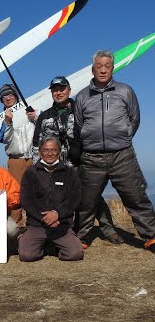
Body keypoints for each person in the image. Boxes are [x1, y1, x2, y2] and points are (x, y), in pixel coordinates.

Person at [74, 50, 155, 251]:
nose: (103, 70)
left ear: (112, 68)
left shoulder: (125, 91)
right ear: (93, 69)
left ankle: (151, 236)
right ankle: (81, 237)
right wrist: (90, 140)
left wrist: (124, 136)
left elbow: (134, 118)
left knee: (136, 197)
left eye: (107, 66)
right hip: (92, 157)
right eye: (99, 66)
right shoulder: (83, 95)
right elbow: (78, 124)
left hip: (122, 155)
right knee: (86, 201)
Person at [33, 76, 122, 245]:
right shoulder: (44, 116)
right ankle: (71, 230)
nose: (58, 92)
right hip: (56, 169)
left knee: (91, 197)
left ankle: (108, 228)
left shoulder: (81, 109)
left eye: (62, 89)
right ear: (51, 93)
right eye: (55, 90)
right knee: (60, 200)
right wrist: (37, 168)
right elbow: (36, 143)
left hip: (83, 163)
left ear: (69, 90)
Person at [18, 136, 84, 262]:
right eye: (46, 150)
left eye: (53, 150)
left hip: (61, 225)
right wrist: (46, 218)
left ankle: (53, 246)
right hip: (37, 225)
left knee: (75, 254)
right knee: (27, 255)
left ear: (59, 152)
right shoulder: (30, 172)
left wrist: (57, 214)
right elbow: (26, 200)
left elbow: (74, 198)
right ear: (40, 152)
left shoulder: (70, 172)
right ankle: (26, 239)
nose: (50, 153)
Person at [0, 84, 38, 226]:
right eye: (4, 96)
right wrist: (7, 122)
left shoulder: (29, 109)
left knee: (38, 192)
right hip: (16, 161)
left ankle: (36, 225)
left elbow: (43, 126)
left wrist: (36, 116)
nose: (8, 98)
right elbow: (3, 139)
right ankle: (16, 227)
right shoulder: (0, 118)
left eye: (10, 95)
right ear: (1, 100)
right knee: (15, 194)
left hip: (35, 157)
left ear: (16, 95)